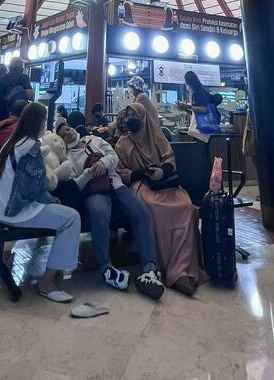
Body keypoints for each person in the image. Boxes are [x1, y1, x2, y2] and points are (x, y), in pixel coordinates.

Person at [57, 123, 164, 299]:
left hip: (115, 185)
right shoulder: (66, 159)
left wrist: (103, 163)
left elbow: (113, 156)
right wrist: (89, 174)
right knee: (100, 214)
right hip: (94, 191)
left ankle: (149, 268)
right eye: (62, 134)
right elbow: (74, 185)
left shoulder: (95, 140)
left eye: (67, 129)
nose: (67, 134)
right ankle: (106, 266)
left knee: (141, 212)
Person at [0, 103, 80, 302]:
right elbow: (34, 188)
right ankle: (47, 283)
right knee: (71, 217)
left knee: (61, 211)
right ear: (38, 122)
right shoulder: (32, 148)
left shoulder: (13, 142)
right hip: (16, 210)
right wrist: (49, 199)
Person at [116, 101, 205, 296]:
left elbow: (169, 159)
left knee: (185, 206)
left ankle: (183, 270)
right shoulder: (123, 143)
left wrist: (161, 172)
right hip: (141, 185)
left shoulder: (157, 137)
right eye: (128, 116)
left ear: (144, 118)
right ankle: (159, 265)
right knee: (151, 206)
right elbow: (120, 172)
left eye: (135, 116)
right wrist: (141, 173)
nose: (131, 120)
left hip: (165, 184)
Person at [178, 70, 221, 143]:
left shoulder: (199, 93)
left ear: (189, 82)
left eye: (185, 82)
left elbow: (205, 110)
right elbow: (197, 114)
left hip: (201, 133)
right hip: (199, 133)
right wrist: (185, 109)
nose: (185, 84)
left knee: (201, 151)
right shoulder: (197, 93)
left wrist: (188, 106)